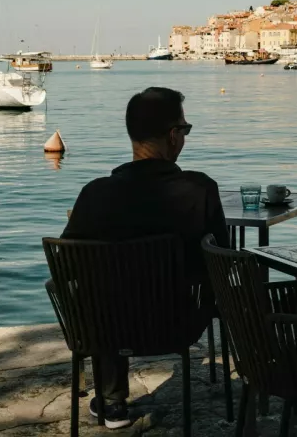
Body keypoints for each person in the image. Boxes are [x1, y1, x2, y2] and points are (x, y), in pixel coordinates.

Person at [61, 86, 228, 428]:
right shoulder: (200, 189)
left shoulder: (95, 194)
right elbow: (220, 261)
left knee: (100, 291)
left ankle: (111, 402)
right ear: (173, 135)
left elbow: (66, 267)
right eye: (185, 129)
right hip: (175, 326)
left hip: (103, 330)